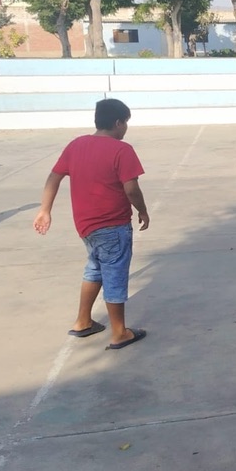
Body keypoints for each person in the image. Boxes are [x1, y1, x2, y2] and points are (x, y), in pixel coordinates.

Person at [33, 98, 149, 350]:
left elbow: (54, 177)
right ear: (118, 123)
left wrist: (45, 210)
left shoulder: (76, 145)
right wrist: (142, 210)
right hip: (113, 225)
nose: (125, 128)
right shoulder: (122, 150)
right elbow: (131, 188)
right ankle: (119, 332)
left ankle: (83, 321)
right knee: (114, 273)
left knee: (94, 269)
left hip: (86, 226)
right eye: (125, 123)